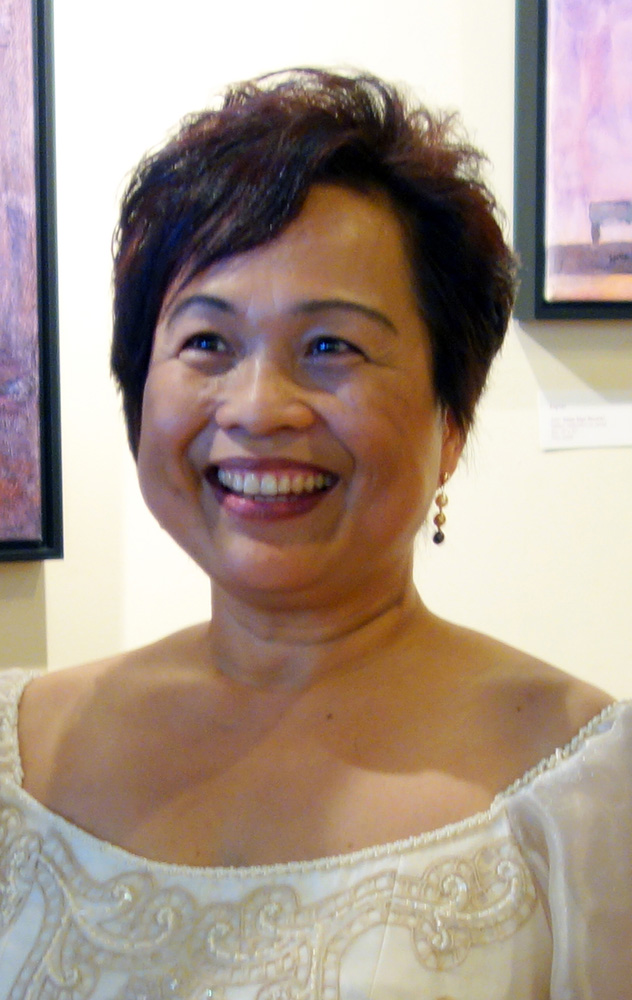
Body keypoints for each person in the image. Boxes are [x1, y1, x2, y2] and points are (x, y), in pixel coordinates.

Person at [0, 69, 630, 999]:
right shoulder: (18, 751)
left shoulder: (589, 786)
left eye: (332, 346)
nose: (258, 409)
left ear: (452, 422)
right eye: (207, 343)